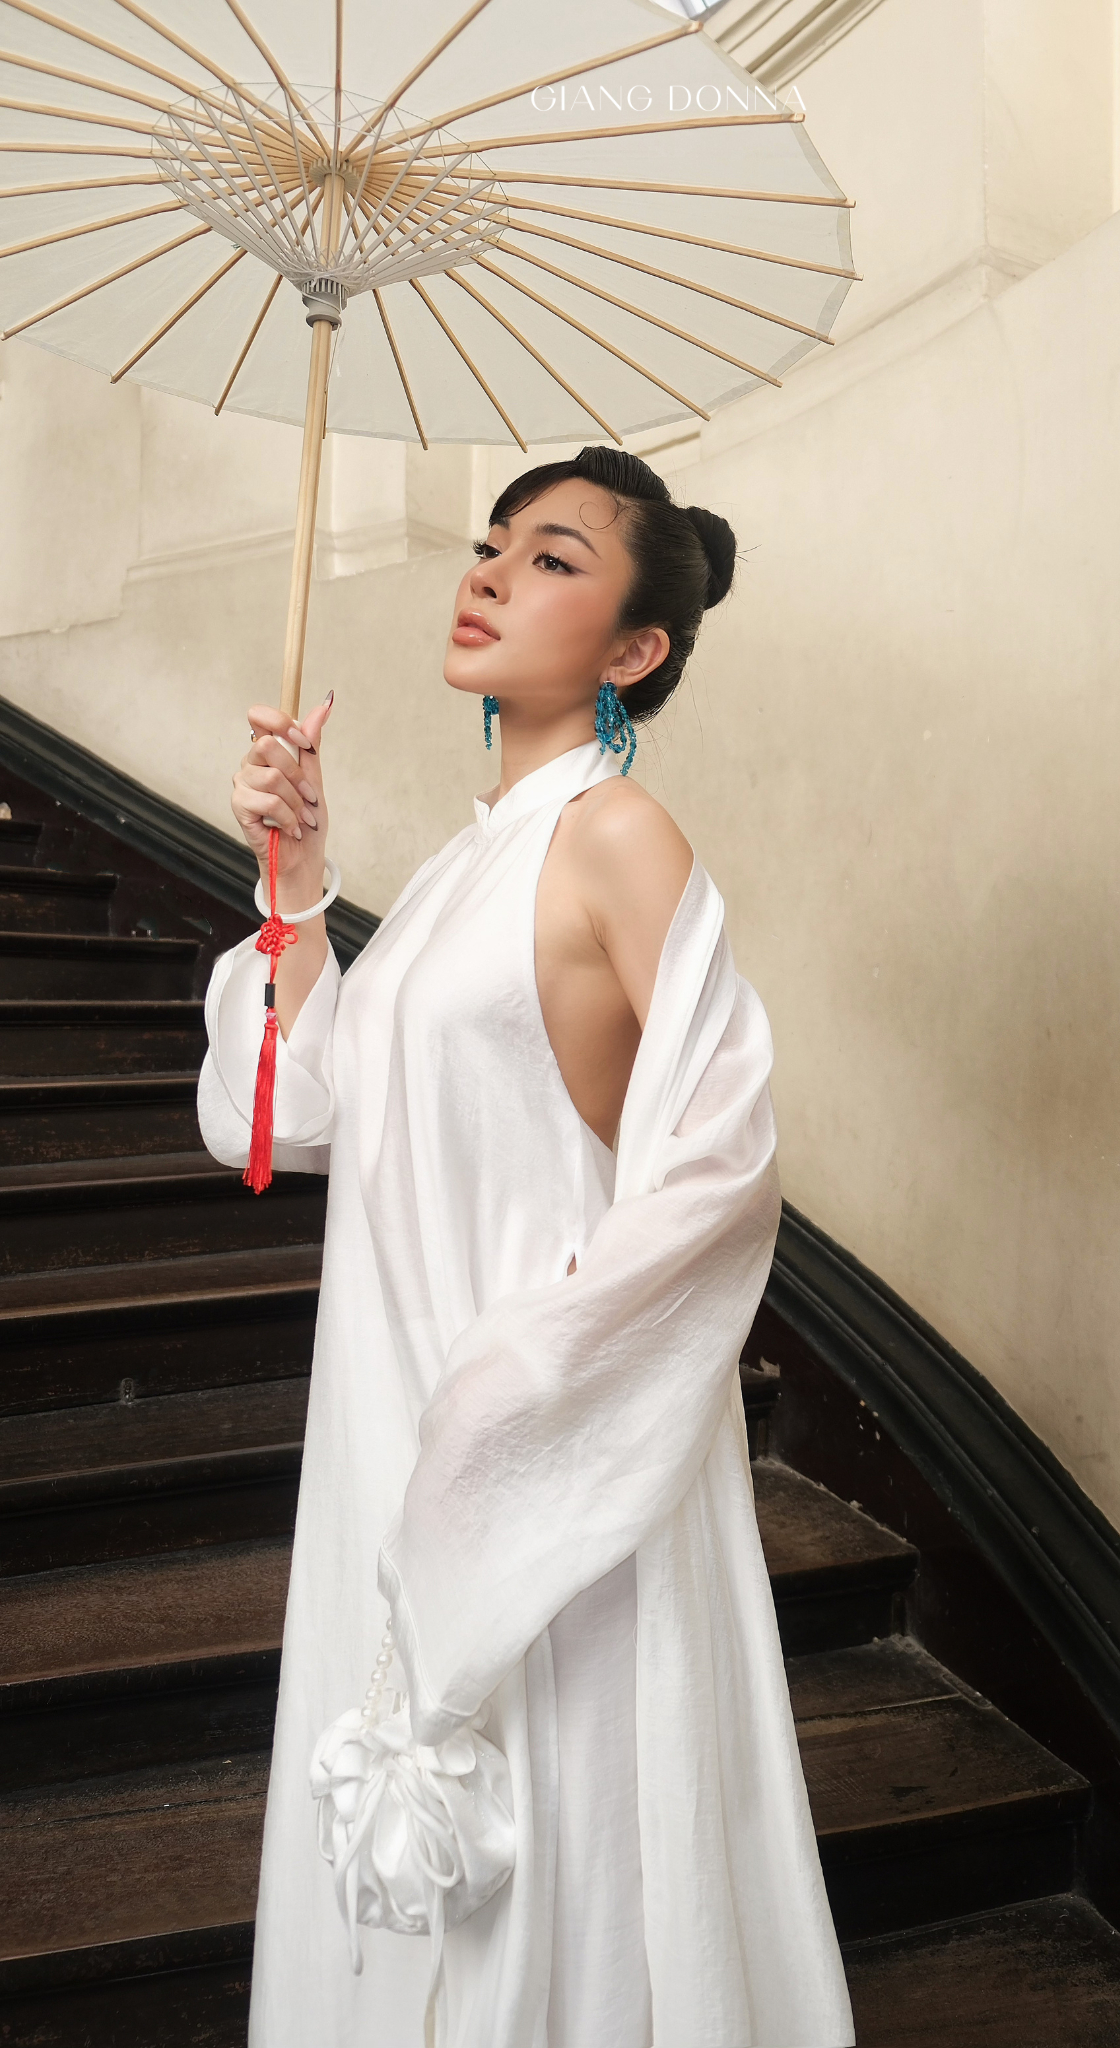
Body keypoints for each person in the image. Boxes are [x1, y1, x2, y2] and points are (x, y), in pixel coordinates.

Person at [197, 444, 855, 2048]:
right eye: (491, 543)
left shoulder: (615, 834)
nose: (488, 571)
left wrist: (513, 1385)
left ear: (637, 648)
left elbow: (720, 1162)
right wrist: (296, 888)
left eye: (551, 558)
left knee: (557, 1825)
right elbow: (293, 1118)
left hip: (530, 1437)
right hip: (394, 1410)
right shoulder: (461, 865)